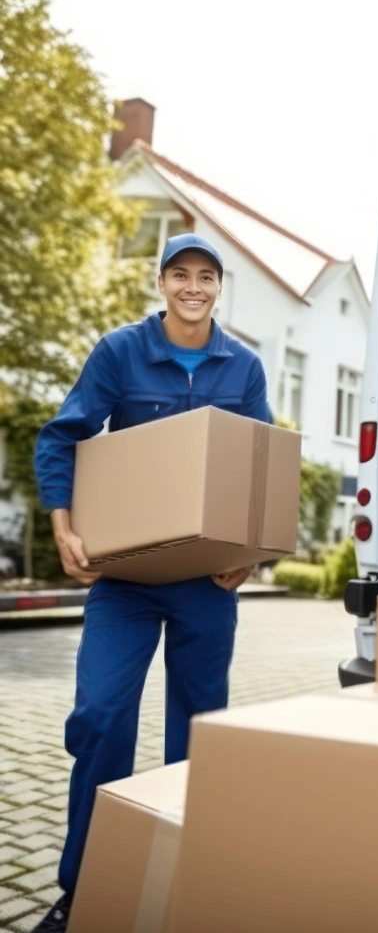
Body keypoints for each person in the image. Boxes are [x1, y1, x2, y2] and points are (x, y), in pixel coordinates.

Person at [31, 234, 271, 932]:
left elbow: (259, 465)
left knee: (198, 735)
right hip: (126, 579)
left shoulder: (244, 366)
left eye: (206, 277)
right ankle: (82, 886)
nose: (193, 287)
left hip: (206, 582)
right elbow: (62, 435)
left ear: (219, 288)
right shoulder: (120, 353)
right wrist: (62, 527)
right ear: (161, 282)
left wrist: (250, 552)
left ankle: (184, 878)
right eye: (180, 275)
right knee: (100, 717)